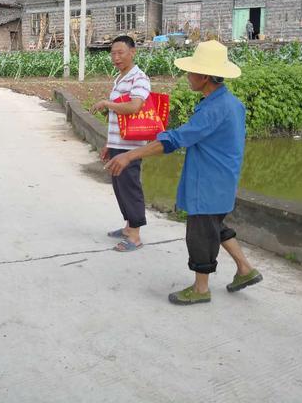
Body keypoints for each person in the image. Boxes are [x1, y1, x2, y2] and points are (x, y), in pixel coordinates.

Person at [105, 40, 262, 305]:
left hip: (208, 181)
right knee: (215, 226)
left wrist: (130, 154)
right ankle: (245, 269)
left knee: (200, 234)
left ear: (205, 76)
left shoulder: (213, 109)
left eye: (191, 72)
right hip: (223, 179)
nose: (187, 76)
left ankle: (201, 289)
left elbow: (176, 139)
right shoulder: (231, 103)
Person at [91, 35, 150, 252]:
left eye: (120, 53)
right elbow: (118, 117)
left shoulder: (139, 78)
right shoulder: (120, 78)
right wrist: (109, 143)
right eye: (113, 53)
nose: (116, 57)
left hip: (131, 146)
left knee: (130, 188)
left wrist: (107, 103)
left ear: (132, 52)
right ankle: (128, 227)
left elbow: (135, 106)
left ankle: (135, 236)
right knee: (120, 187)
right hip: (119, 142)